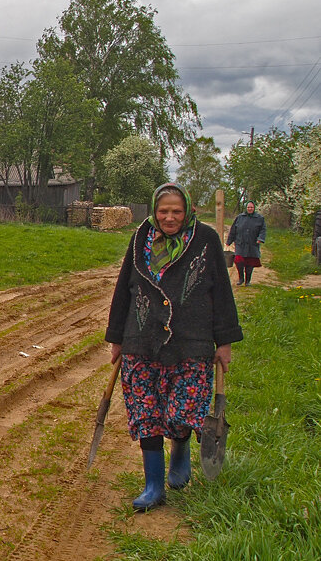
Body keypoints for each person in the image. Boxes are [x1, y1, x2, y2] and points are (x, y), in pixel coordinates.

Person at [105, 183, 243, 511]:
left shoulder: (206, 239)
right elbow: (125, 287)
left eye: (176, 211)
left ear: (188, 211)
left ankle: (180, 450)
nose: (169, 217)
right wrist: (117, 338)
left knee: (184, 410)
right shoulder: (140, 239)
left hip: (191, 341)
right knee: (145, 411)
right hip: (142, 337)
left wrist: (224, 342)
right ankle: (153, 485)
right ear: (155, 211)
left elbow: (222, 292)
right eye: (163, 211)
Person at [227, 201, 267, 286]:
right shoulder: (240, 217)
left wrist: (260, 238)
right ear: (246, 208)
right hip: (240, 243)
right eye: (248, 207)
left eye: (251, 207)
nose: (250, 209)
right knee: (238, 260)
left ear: (254, 208)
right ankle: (241, 278)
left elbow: (263, 230)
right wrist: (229, 241)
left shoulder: (260, 218)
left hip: (252, 244)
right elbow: (233, 230)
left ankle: (248, 281)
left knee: (250, 263)